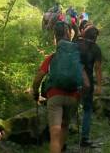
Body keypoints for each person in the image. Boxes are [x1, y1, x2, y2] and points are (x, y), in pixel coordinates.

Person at [32, 21, 89, 153]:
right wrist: (80, 96)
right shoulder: (77, 58)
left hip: (54, 97)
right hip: (72, 97)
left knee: (54, 136)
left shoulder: (51, 58)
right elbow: (86, 83)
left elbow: (37, 79)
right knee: (64, 127)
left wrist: (35, 93)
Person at [76, 25, 102, 147]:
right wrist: (99, 86)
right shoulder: (96, 48)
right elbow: (97, 68)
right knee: (87, 109)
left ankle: (63, 135)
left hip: (73, 79)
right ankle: (84, 138)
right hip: (88, 83)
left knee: (70, 106)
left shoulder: (75, 43)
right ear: (95, 37)